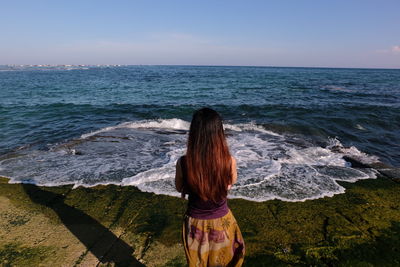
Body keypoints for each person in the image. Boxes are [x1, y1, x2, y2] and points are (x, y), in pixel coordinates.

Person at [175, 108, 245, 267]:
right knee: (225, 261)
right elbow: (231, 183)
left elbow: (179, 188)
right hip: (222, 222)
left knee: (198, 262)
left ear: (194, 133)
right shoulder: (228, 161)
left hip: (195, 224)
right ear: (219, 133)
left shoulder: (184, 162)